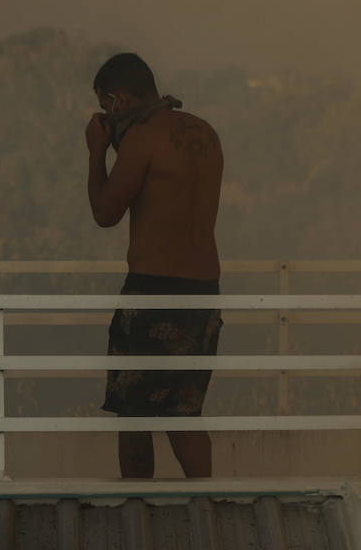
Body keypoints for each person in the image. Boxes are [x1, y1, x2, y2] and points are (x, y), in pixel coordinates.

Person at [86, 53, 224, 478]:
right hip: (204, 291)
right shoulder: (204, 132)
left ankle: (136, 507)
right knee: (185, 416)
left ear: (120, 99)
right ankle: (207, 504)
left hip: (153, 291)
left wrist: (96, 152)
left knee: (133, 416)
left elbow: (105, 212)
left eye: (106, 105)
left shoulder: (143, 138)